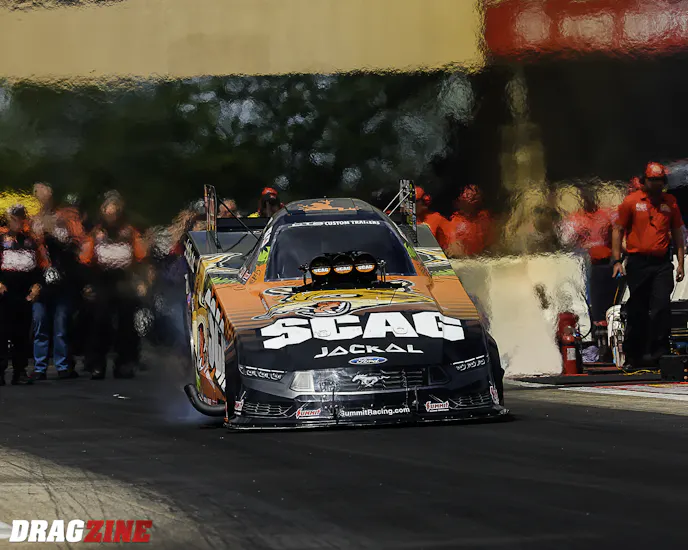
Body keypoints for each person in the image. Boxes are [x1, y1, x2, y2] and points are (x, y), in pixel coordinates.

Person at [612, 162, 685, 368]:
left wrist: (680, 263)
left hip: (662, 263)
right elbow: (617, 229)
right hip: (638, 263)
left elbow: (678, 233)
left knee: (661, 307)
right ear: (644, 181)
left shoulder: (670, 202)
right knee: (638, 309)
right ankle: (634, 355)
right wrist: (617, 260)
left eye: (660, 180)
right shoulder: (632, 201)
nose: (656, 184)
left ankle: (660, 353)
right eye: (652, 180)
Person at [80, 191, 148, 379]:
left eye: (115, 210)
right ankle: (96, 364)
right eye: (107, 210)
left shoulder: (130, 232)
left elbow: (141, 258)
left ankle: (125, 362)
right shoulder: (95, 233)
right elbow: (85, 260)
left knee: (127, 322)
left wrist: (142, 281)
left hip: (125, 280)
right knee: (99, 321)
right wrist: (88, 284)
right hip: (102, 279)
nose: (111, 214)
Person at [30, 182, 86, 380]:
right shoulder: (31, 221)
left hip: (63, 280)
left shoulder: (64, 219)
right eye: (40, 195)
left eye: (47, 195)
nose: (44, 199)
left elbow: (77, 243)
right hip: (40, 280)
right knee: (40, 324)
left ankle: (63, 365)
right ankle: (39, 367)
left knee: (61, 325)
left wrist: (54, 232)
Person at [560, 187, 619, 360]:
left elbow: (618, 231)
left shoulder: (606, 215)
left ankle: (612, 343)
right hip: (588, 264)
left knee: (610, 305)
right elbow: (565, 240)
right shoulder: (577, 218)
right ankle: (597, 344)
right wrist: (579, 232)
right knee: (594, 305)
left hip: (607, 264)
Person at [0, 205, 49, 385]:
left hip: (25, 295)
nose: (17, 221)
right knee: (2, 334)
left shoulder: (32, 241)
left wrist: (37, 285)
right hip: (3, 295)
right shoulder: (1, 239)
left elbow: (43, 266)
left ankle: (19, 372)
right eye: (14, 218)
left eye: (20, 218)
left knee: (22, 335)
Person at [445, 185, 494, 258]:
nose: (470, 195)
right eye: (466, 193)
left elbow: (491, 247)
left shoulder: (485, 219)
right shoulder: (453, 222)